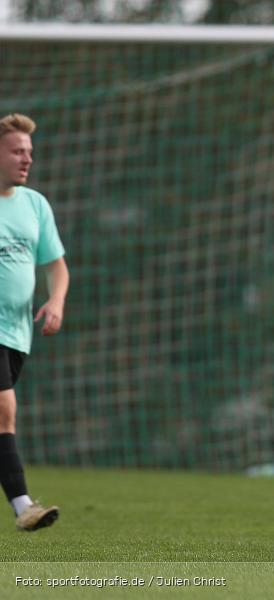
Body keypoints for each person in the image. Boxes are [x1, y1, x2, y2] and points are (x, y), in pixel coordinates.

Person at [0, 113, 68, 531]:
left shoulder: (35, 204)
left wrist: (56, 299)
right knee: (4, 409)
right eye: (16, 152)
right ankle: (24, 506)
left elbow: (57, 266)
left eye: (29, 153)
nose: (26, 160)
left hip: (17, 332)